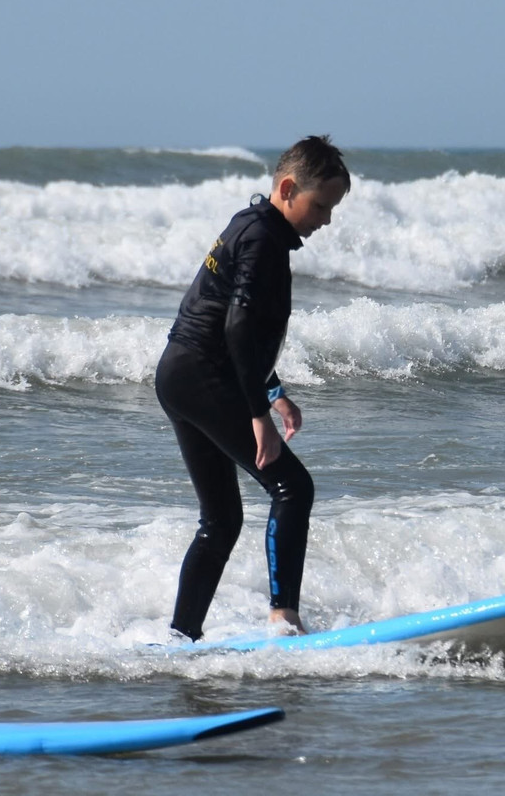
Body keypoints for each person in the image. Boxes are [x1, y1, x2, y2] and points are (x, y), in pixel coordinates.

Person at [155, 135, 351, 641]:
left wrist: (273, 389)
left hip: (180, 374)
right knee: (292, 488)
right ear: (287, 189)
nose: (326, 219)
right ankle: (283, 617)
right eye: (321, 205)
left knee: (221, 519)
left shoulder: (251, 225)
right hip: (203, 374)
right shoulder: (263, 239)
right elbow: (238, 328)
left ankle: (182, 637)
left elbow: (241, 328)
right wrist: (259, 413)